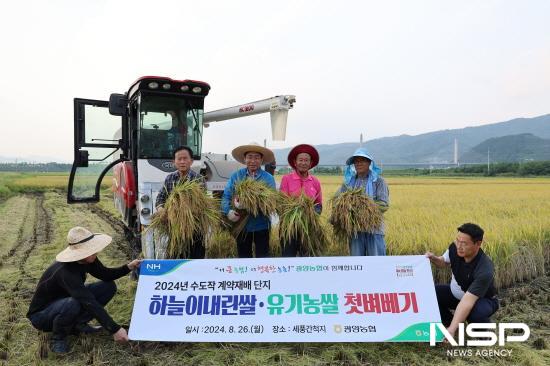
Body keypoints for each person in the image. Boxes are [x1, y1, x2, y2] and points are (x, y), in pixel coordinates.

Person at [27, 226, 142, 354]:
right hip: (41, 315)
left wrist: (128, 267)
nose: (96, 253)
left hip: (66, 300)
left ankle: (78, 325)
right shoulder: (66, 271)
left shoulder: (88, 259)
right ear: (80, 253)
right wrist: (114, 329)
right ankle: (58, 338)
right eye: (91, 250)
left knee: (108, 286)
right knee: (74, 303)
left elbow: (105, 274)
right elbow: (88, 301)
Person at [426, 223, 499, 337]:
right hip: (455, 296)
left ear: (478, 244)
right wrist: (433, 258)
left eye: (464, 243)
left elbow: (467, 302)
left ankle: (483, 333)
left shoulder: (484, 269)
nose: (459, 246)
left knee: (476, 314)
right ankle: (451, 324)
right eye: (458, 240)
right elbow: (443, 262)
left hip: (481, 300)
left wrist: (451, 329)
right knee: (429, 294)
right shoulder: (455, 248)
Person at [222, 142, 276, 258]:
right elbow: (226, 196)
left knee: (263, 257)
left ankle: (262, 277)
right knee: (244, 257)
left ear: (261, 160)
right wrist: (228, 211)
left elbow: (271, 202)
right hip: (242, 226)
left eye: (257, 158)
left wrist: (249, 204)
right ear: (244, 159)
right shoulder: (236, 176)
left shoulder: (268, 178)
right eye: (249, 157)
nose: (253, 161)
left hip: (261, 225)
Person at [155, 145, 206, 259]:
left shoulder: (198, 179)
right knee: (175, 259)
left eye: (185, 158)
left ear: (191, 161)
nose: (182, 162)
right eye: (179, 159)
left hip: (195, 230)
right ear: (174, 162)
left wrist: (182, 212)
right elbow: (160, 198)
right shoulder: (170, 178)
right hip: (174, 228)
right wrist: (161, 210)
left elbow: (201, 205)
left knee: (195, 260)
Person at [337, 147, 389, 256]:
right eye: (356, 161)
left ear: (369, 162)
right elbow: (338, 202)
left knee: (377, 264)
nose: (359, 163)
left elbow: (384, 204)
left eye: (362, 160)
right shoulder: (348, 182)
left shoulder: (379, 181)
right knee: (358, 265)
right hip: (355, 231)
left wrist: (363, 207)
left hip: (374, 230)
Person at [279, 144, 323, 257]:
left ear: (311, 163)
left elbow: (318, 205)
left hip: (309, 228)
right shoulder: (286, 179)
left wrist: (311, 214)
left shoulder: (315, 181)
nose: (303, 163)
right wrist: (294, 213)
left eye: (306, 160)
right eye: (300, 160)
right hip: (289, 227)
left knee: (307, 259)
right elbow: (282, 202)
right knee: (288, 258)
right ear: (295, 162)